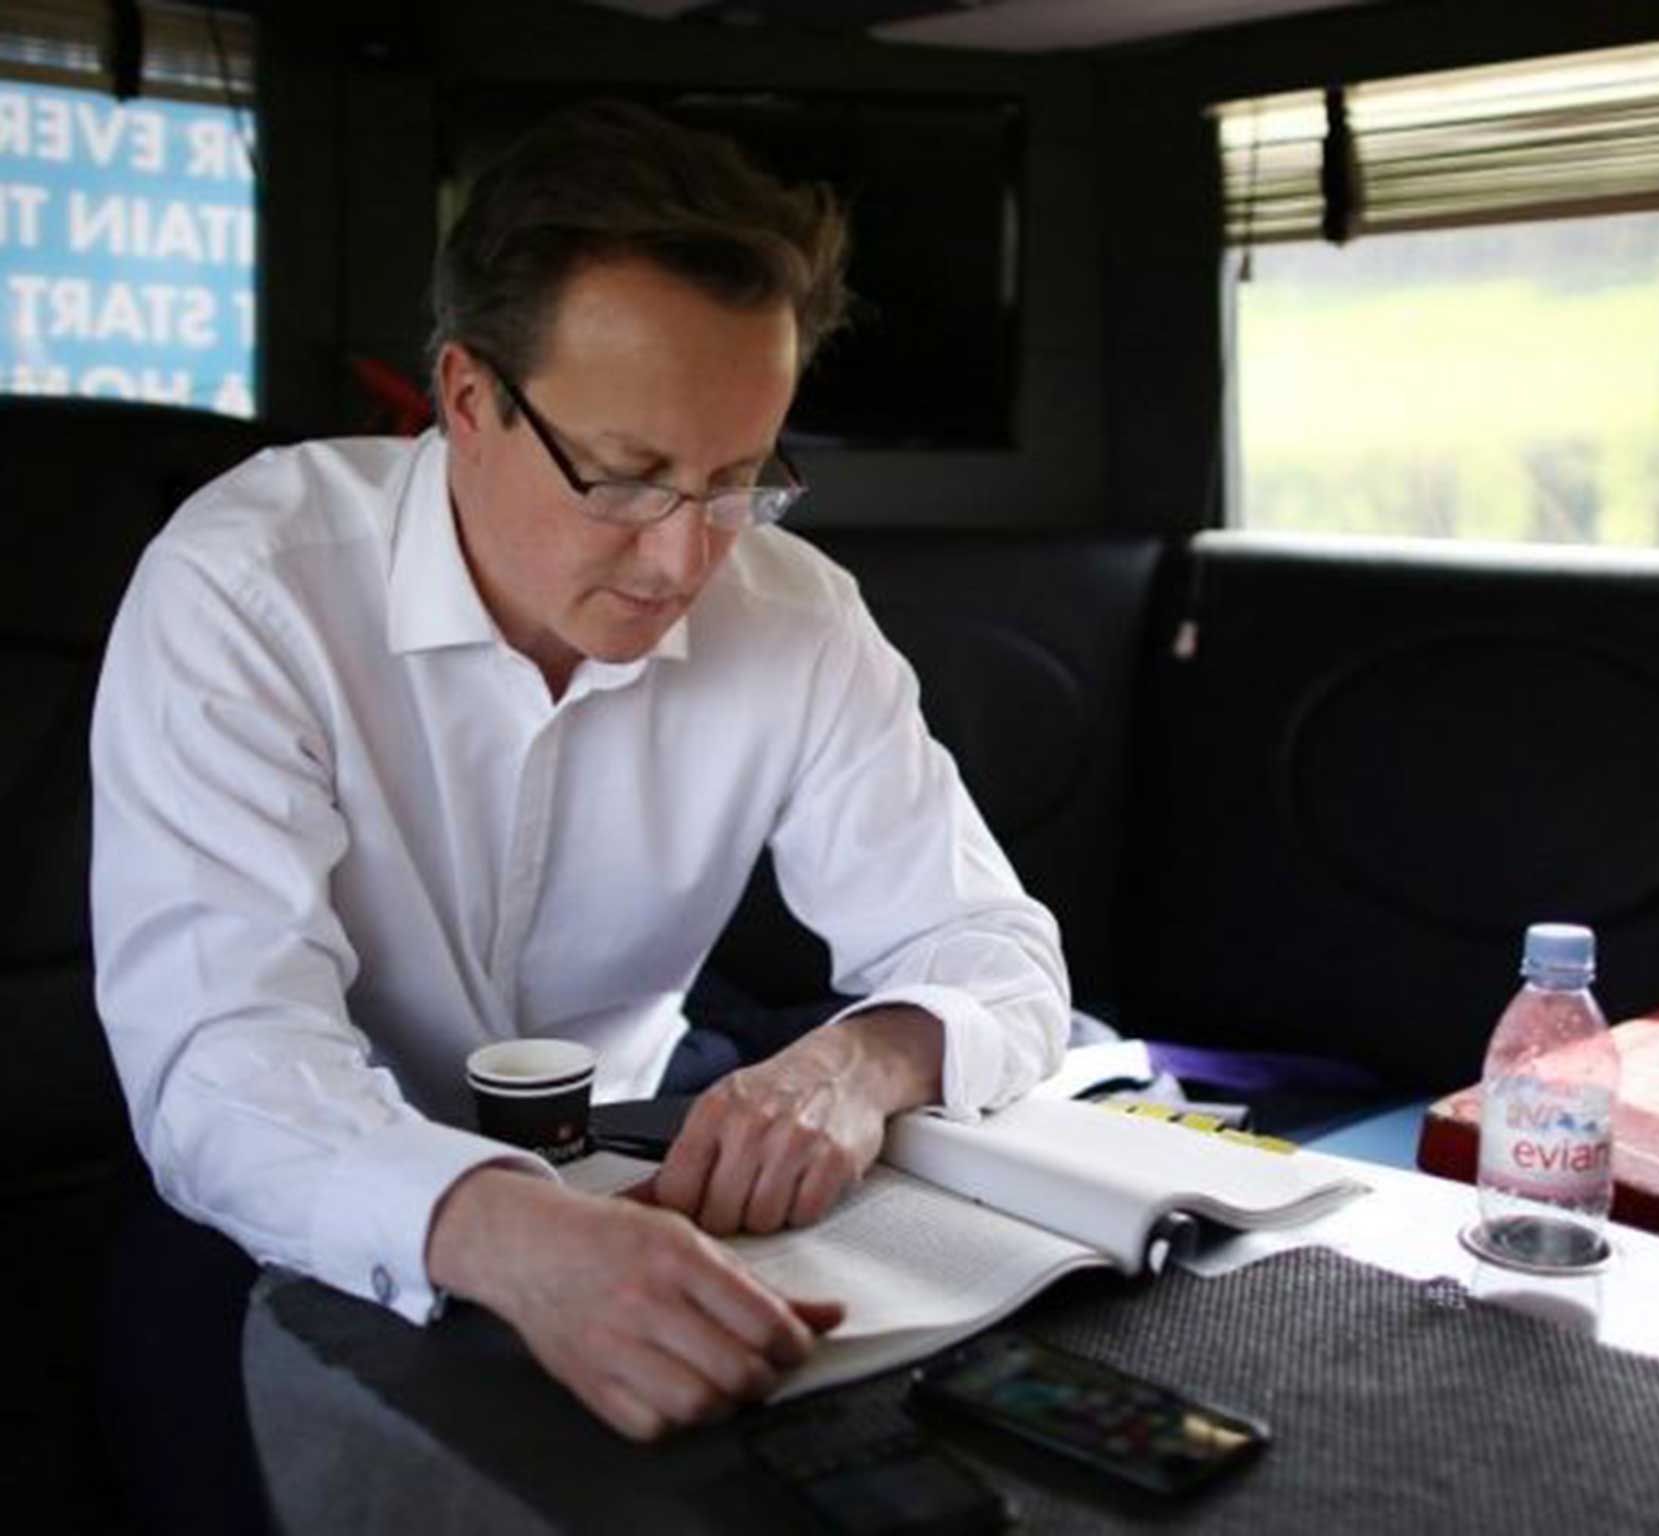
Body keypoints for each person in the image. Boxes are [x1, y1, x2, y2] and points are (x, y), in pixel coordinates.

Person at [88, 96, 1070, 1469]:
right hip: (302, 1190)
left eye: (738, 482)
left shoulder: (795, 612)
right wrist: (507, 1234)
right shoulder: (250, 587)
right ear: (469, 397)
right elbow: (219, 1058)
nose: (685, 566)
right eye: (625, 479)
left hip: (644, 1141)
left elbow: (1003, 955)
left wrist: (863, 1059)